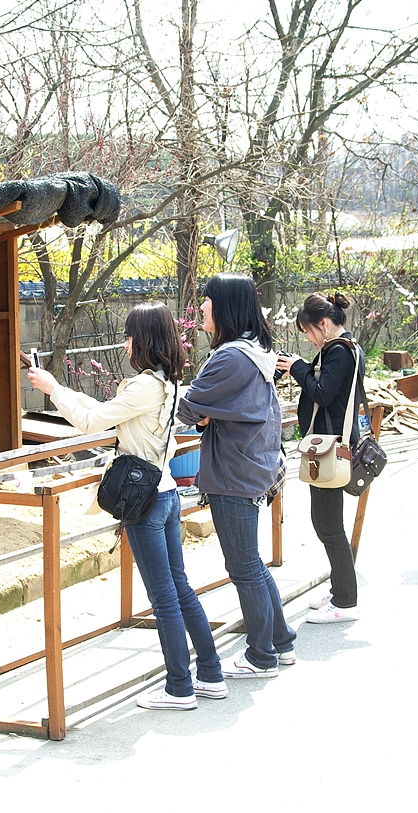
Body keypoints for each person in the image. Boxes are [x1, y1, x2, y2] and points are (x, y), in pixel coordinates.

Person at [28, 302, 225, 710]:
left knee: (165, 598)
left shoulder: (143, 386)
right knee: (180, 589)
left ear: (143, 339)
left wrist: (53, 389)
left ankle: (179, 687)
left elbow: (91, 422)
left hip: (146, 503)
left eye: (130, 335)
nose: (126, 342)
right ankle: (210, 673)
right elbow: (104, 413)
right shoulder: (168, 383)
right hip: (167, 493)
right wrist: (62, 390)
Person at [178, 273, 296, 678]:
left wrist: (201, 411)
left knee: (244, 567)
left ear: (224, 305)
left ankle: (261, 656)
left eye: (207, 300)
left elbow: (190, 406)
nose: (201, 308)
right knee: (253, 564)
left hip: (234, 471)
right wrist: (207, 411)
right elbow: (207, 408)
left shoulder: (230, 357)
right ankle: (281, 642)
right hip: (250, 465)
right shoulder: (254, 350)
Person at [276, 291, 363, 624]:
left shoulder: (339, 351)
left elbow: (323, 393)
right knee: (327, 522)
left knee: (328, 525)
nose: (309, 340)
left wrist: (298, 368)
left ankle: (344, 600)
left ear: (324, 324)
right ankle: (340, 588)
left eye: (309, 332)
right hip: (330, 445)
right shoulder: (347, 347)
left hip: (329, 448)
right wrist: (300, 368)